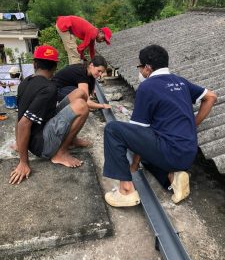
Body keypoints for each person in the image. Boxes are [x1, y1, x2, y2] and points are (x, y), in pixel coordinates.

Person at [103, 44, 217, 207]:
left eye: (140, 67)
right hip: (188, 153)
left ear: (148, 68)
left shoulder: (147, 87)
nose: (140, 71)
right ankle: (173, 177)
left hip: (170, 152)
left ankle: (126, 191)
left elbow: (140, 130)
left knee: (113, 130)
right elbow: (211, 97)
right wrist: (192, 124)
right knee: (149, 156)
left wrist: (133, 166)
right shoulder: (180, 82)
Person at [9, 45, 89, 185]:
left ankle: (72, 139)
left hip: (42, 129)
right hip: (42, 146)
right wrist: (23, 161)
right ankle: (60, 153)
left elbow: (19, 117)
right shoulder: (49, 89)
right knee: (82, 106)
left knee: (80, 93)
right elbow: (23, 123)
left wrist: (19, 142)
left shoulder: (25, 82)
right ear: (55, 66)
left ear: (34, 64)